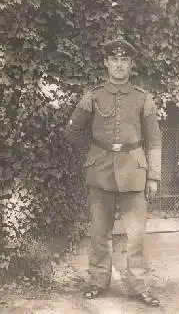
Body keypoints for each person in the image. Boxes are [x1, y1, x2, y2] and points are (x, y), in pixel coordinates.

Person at [65, 37, 162, 307]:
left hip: (134, 172)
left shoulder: (144, 99)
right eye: (114, 60)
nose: (119, 65)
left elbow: (154, 141)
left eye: (124, 61)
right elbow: (72, 131)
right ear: (106, 63)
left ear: (131, 65)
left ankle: (138, 286)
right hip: (100, 172)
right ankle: (97, 281)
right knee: (99, 232)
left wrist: (153, 176)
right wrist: (95, 151)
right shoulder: (93, 96)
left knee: (136, 236)